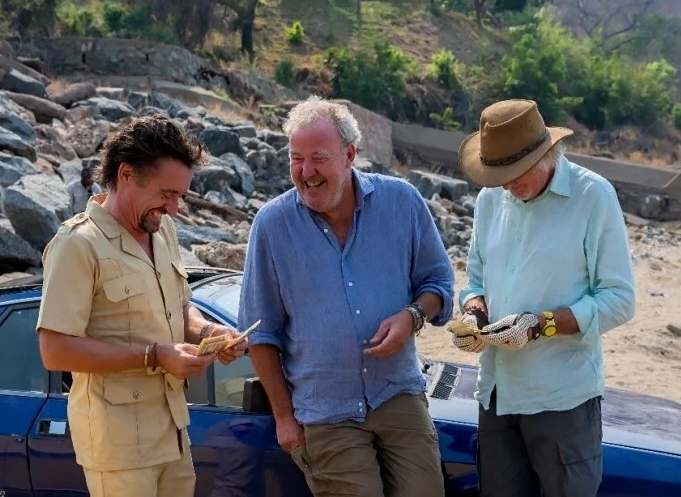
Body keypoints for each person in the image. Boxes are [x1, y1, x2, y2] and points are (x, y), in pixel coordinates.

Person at [239, 97, 455, 497]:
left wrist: (412, 316)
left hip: (397, 395)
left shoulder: (402, 203)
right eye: (296, 159)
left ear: (350, 155)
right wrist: (285, 419)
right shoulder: (271, 226)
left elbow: (439, 285)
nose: (306, 172)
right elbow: (259, 332)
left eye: (318, 158)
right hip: (325, 413)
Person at [36, 115, 248, 497]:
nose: (174, 209)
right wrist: (154, 356)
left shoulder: (161, 229)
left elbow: (179, 309)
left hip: (173, 433)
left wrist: (208, 333)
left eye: (180, 196)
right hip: (118, 445)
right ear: (128, 175)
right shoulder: (77, 245)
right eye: (167, 194)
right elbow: (54, 351)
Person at [451, 99, 636, 497]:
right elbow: (477, 280)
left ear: (547, 155)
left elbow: (619, 299)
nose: (507, 186)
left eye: (514, 174)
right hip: (497, 395)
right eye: (497, 175)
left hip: (561, 401)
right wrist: (472, 315)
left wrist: (540, 325)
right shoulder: (490, 201)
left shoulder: (594, 198)